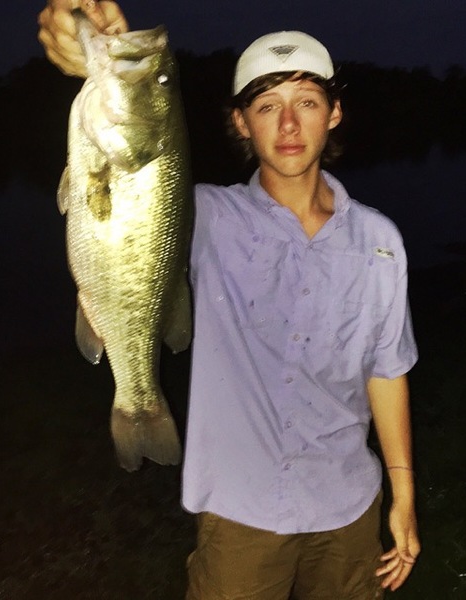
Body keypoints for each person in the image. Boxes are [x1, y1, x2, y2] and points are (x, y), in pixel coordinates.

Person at [38, 1, 421, 597]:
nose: (288, 124)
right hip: (241, 514)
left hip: (349, 509)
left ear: (334, 113)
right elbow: (137, 198)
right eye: (266, 106)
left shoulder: (380, 242)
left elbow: (386, 371)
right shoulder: (203, 217)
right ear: (241, 123)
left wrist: (404, 496)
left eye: (307, 102)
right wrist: (78, 39)